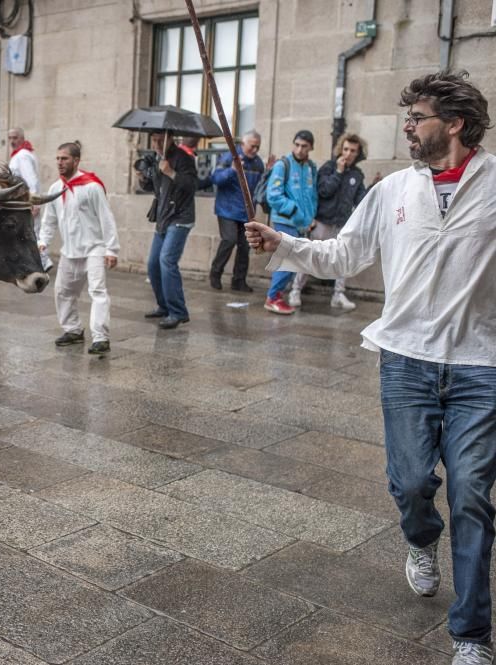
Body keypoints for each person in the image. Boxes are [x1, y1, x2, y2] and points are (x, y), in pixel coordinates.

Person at [246, 71, 495, 665]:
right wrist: (280, 242)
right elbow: (344, 256)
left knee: (472, 497)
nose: (406, 127)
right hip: (406, 361)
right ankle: (421, 540)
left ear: (454, 124)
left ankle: (472, 634)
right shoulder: (392, 192)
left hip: (481, 366)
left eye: (417, 118)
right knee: (411, 485)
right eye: (406, 117)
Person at [39, 141, 119, 355]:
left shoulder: (92, 186)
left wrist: (112, 249)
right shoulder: (56, 188)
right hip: (69, 251)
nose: (60, 162)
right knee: (63, 292)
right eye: (57, 158)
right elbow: (49, 220)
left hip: (94, 248)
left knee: (98, 292)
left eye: (64, 158)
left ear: (76, 160)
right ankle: (73, 330)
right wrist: (43, 241)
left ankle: (101, 338)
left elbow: (106, 218)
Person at [287, 132, 369, 311]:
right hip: (322, 222)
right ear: (341, 149)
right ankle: (295, 290)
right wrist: (338, 172)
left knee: (343, 260)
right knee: (311, 257)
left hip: (341, 224)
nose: (348, 153)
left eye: (353, 150)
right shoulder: (329, 167)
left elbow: (360, 199)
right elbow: (323, 190)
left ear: (358, 153)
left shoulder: (357, 174)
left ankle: (338, 295)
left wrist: (373, 188)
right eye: (346, 149)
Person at [140, 131, 198, 329]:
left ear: (170, 138)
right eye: (153, 139)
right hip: (163, 218)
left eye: (159, 139)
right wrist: (143, 176)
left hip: (180, 218)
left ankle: (178, 311)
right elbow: (154, 187)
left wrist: (172, 173)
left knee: (167, 260)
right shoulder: (158, 158)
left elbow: (192, 185)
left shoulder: (184, 158)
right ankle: (163, 306)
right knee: (153, 264)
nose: (155, 143)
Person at [263, 129, 319, 314]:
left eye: (304, 146)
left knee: (292, 261)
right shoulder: (283, 165)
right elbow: (273, 196)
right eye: (297, 145)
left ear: (310, 147)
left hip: (302, 223)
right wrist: (294, 209)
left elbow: (312, 196)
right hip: (285, 221)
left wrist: (310, 218)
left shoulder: (311, 167)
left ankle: (275, 296)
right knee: (289, 260)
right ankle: (273, 298)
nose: (300, 149)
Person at [208, 130, 265, 292]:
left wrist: (269, 172)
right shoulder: (228, 158)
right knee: (229, 239)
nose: (255, 150)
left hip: (246, 212)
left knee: (245, 246)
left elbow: (260, 187)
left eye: (258, 147)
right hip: (227, 209)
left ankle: (239, 281)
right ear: (242, 144)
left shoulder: (258, 164)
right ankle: (215, 272)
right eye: (252, 146)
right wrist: (232, 170)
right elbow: (215, 179)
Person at [8, 127, 52, 271]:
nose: (12, 141)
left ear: (22, 137)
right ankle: (42, 261)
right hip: (22, 201)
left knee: (31, 233)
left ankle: (44, 261)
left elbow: (31, 179)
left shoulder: (22, 156)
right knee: (31, 232)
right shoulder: (22, 154)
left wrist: (34, 202)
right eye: (10, 138)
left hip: (26, 202)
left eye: (15, 137)